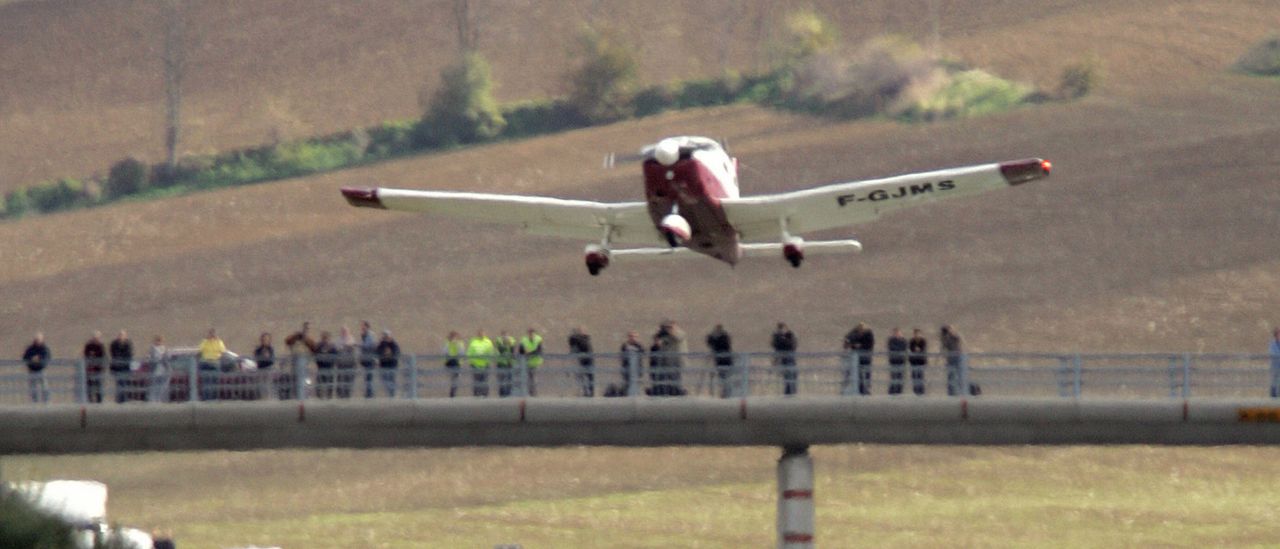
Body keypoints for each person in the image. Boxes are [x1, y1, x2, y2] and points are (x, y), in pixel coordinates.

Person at [281, 322, 315, 400]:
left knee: (303, 381)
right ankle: (296, 397)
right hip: (295, 362)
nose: (305, 330)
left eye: (307, 329)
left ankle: (302, 397)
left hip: (304, 362)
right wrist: (297, 335)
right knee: (295, 380)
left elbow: (313, 347)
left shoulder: (309, 339)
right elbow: (287, 341)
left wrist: (305, 338)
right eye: (305, 328)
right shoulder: (296, 338)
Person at [653, 320, 687, 396]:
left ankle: (677, 392)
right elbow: (659, 345)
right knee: (666, 379)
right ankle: (665, 391)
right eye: (667, 327)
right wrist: (658, 336)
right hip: (666, 362)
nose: (668, 329)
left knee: (676, 378)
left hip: (677, 361)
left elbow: (678, 338)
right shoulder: (666, 336)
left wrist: (670, 331)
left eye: (670, 327)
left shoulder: (680, 333)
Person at [842, 322, 873, 396]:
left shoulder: (868, 334)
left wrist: (859, 346)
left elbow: (869, 345)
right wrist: (852, 344)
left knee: (866, 373)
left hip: (865, 356)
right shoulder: (855, 333)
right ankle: (862, 390)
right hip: (858, 357)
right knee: (859, 374)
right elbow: (848, 339)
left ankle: (866, 389)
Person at [198, 328, 226, 401]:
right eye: (210, 333)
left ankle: (214, 398)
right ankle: (206, 398)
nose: (212, 335)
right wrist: (206, 340)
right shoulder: (205, 342)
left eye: (213, 334)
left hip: (215, 363)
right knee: (206, 382)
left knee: (215, 382)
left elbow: (223, 351)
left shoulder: (219, 342)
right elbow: (200, 350)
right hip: (206, 363)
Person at [706, 324, 733, 398]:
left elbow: (722, 345)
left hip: (726, 361)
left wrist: (715, 338)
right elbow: (709, 342)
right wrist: (711, 336)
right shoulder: (718, 337)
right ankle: (723, 393)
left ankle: (727, 394)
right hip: (719, 361)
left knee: (726, 377)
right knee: (722, 377)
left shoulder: (724, 337)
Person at [771, 322, 799, 395]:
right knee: (789, 377)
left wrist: (790, 336)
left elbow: (793, 346)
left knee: (792, 376)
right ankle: (789, 394)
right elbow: (786, 345)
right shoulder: (778, 338)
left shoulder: (784, 337)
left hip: (788, 359)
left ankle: (790, 393)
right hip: (786, 359)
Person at [23, 332, 50, 403]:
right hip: (32, 370)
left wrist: (39, 359)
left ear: (42, 340)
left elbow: (46, 357)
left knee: (44, 387)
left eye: (38, 339)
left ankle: (46, 402)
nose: (37, 341)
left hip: (41, 370)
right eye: (36, 340)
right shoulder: (30, 349)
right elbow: (25, 357)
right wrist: (32, 359)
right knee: (33, 387)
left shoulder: (44, 348)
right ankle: (35, 402)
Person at [941, 324, 968, 396]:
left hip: (958, 357)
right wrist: (945, 337)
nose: (950, 331)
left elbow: (961, 341)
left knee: (960, 375)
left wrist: (953, 334)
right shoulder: (946, 338)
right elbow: (944, 347)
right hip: (950, 358)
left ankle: (962, 392)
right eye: (949, 329)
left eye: (951, 329)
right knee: (950, 375)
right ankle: (951, 393)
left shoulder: (956, 336)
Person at [467, 329, 495, 397]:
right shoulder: (473, 342)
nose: (481, 335)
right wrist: (472, 362)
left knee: (485, 380)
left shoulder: (488, 342)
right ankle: (476, 395)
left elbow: (491, 352)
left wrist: (489, 361)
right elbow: (469, 353)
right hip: (475, 365)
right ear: (478, 335)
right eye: (480, 334)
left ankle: (485, 395)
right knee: (477, 381)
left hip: (485, 365)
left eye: (482, 334)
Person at [568, 327, 595, 397]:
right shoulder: (585, 339)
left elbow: (573, 349)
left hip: (585, 359)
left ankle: (587, 391)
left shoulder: (575, 339)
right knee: (589, 375)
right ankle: (590, 392)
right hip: (588, 359)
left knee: (585, 375)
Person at [109, 330, 135, 403]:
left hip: (125, 367)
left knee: (125, 383)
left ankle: (125, 399)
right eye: (120, 335)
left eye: (122, 335)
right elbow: (113, 353)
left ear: (125, 336)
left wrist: (122, 359)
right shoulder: (114, 344)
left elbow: (129, 354)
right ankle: (119, 400)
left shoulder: (128, 344)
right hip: (117, 367)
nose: (121, 337)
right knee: (118, 383)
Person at [82, 331, 106, 403]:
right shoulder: (88, 345)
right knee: (89, 385)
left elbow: (103, 356)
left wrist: (101, 366)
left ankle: (99, 401)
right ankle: (90, 400)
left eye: (97, 337)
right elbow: (86, 354)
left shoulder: (101, 346)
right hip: (90, 368)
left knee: (99, 385)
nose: (96, 339)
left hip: (98, 369)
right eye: (95, 337)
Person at [519, 328, 544, 396]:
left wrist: (529, 353)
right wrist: (525, 352)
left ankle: (534, 393)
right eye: (529, 334)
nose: (531, 335)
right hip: (527, 362)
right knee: (529, 378)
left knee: (534, 378)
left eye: (532, 334)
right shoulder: (524, 340)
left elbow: (539, 350)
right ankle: (530, 392)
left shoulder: (538, 339)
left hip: (536, 362)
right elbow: (521, 351)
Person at [619, 331, 645, 395]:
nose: (633, 338)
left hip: (637, 369)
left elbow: (643, 353)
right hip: (627, 370)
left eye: (634, 336)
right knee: (627, 385)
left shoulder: (639, 345)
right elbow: (622, 356)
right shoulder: (624, 345)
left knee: (637, 384)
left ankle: (637, 396)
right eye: (631, 336)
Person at [313, 331, 337, 399]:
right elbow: (316, 355)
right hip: (321, 368)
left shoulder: (332, 347)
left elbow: (335, 356)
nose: (325, 340)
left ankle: (329, 397)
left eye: (326, 338)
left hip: (329, 368)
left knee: (329, 386)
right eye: (324, 338)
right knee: (319, 385)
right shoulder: (319, 346)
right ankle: (320, 397)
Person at [335, 326, 358, 399]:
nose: (344, 333)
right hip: (341, 364)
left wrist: (345, 346)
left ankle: (347, 395)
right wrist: (345, 347)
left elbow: (352, 346)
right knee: (340, 380)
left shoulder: (351, 338)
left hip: (350, 364)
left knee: (349, 380)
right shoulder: (338, 339)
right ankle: (340, 395)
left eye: (345, 331)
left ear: (348, 332)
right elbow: (337, 348)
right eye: (343, 331)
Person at [376, 330, 400, 397]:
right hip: (383, 365)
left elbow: (396, 353)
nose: (386, 337)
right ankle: (390, 393)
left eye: (387, 336)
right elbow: (377, 352)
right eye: (384, 336)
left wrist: (390, 354)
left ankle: (392, 395)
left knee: (391, 380)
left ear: (390, 336)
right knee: (384, 380)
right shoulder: (382, 344)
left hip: (392, 365)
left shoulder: (394, 344)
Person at [147, 335, 171, 403]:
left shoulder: (164, 348)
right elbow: (151, 359)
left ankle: (161, 400)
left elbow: (167, 358)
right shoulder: (152, 348)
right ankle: (154, 400)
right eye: (158, 341)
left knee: (163, 387)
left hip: (164, 370)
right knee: (155, 386)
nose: (159, 342)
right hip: (155, 370)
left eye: (160, 341)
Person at [494, 330, 518, 397]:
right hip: (501, 363)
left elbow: (513, 351)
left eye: (506, 335)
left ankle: (509, 393)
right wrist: (505, 344)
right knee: (501, 379)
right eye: (503, 335)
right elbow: (500, 350)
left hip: (509, 363)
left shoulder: (512, 341)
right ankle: (502, 394)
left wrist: (509, 344)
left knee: (509, 379)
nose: (505, 337)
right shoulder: (499, 341)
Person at [358, 321, 378, 398]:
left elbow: (369, 345)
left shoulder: (371, 334)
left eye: (363, 326)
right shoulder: (363, 335)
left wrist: (359, 345)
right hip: (365, 359)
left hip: (370, 359)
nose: (362, 328)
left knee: (369, 377)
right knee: (367, 377)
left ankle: (370, 394)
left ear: (367, 326)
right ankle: (368, 393)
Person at [253, 333, 275, 401]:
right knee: (261, 384)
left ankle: (269, 398)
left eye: (266, 339)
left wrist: (267, 357)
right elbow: (257, 359)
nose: (265, 341)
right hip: (261, 369)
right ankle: (262, 398)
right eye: (263, 339)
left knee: (268, 384)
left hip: (268, 369)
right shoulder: (258, 350)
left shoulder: (270, 349)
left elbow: (272, 360)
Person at [886, 327, 908, 395]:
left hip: (901, 361)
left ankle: (899, 392)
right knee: (893, 377)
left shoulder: (904, 340)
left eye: (898, 333)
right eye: (895, 333)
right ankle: (892, 392)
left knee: (900, 377)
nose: (897, 334)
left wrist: (898, 349)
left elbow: (904, 348)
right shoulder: (891, 340)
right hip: (893, 361)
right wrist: (898, 350)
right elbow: (891, 347)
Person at [444, 331, 466, 397]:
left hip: (457, 363)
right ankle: (452, 392)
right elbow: (445, 352)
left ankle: (453, 393)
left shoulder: (460, 343)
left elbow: (461, 353)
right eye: (452, 337)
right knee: (452, 378)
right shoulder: (447, 343)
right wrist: (450, 344)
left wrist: (457, 344)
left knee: (455, 378)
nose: (454, 339)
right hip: (450, 362)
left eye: (455, 337)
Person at [908, 328, 928, 396]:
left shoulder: (923, 341)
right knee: (914, 377)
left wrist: (919, 350)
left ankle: (921, 392)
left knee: (920, 376)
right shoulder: (911, 341)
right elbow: (910, 349)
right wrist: (915, 349)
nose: (917, 335)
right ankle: (915, 392)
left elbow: (923, 349)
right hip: (913, 361)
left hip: (920, 361)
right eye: (916, 333)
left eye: (918, 333)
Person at [1270, 328, 1280, 398]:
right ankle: (1273, 397)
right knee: (1274, 381)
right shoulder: (1272, 344)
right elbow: (1273, 353)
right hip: (1276, 366)